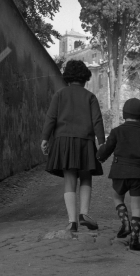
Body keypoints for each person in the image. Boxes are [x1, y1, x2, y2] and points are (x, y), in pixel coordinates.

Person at [40, 60, 105, 232]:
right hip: (85, 141)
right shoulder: (90, 97)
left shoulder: (59, 95)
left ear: (67, 77)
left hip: (63, 141)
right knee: (85, 176)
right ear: (85, 78)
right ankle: (84, 214)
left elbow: (51, 118)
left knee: (69, 178)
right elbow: (97, 120)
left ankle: (72, 222)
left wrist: (45, 138)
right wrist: (102, 141)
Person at [96, 98, 140, 251]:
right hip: (138, 174)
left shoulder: (117, 132)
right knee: (137, 207)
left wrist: (100, 155)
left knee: (117, 197)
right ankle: (135, 240)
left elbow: (107, 149)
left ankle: (125, 222)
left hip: (120, 172)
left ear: (124, 114)